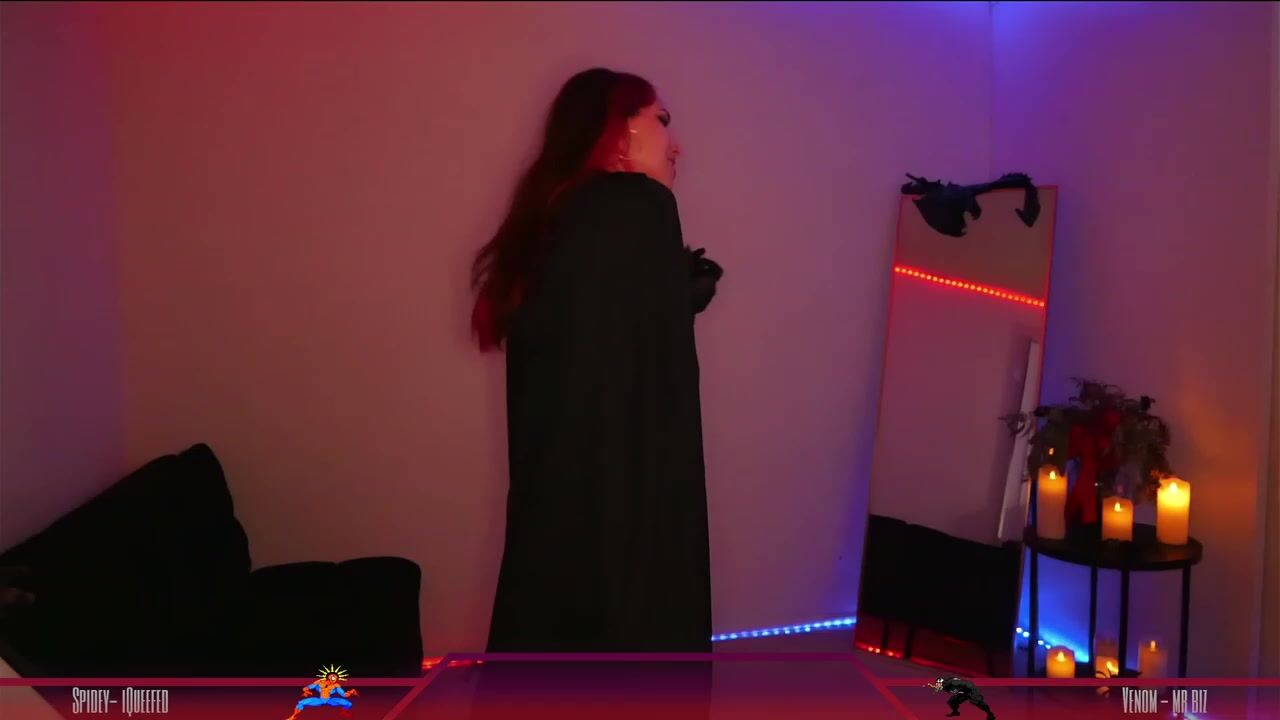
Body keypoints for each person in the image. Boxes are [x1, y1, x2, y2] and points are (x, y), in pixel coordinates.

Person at [470, 67, 724, 653]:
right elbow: (641, 404)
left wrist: (676, 290)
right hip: (625, 533)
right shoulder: (638, 205)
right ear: (618, 132)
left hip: (555, 524)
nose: (676, 144)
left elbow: (595, 356)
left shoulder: (558, 219)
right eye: (661, 120)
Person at [927, 676, 996, 719]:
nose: (938, 686)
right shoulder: (945, 687)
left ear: (943, 682)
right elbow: (939, 687)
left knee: (977, 702)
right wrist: (933, 686)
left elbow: (967, 684)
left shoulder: (952, 682)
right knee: (951, 701)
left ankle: (990, 714)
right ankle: (955, 712)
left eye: (939, 684)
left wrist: (973, 695)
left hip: (970, 690)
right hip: (963, 693)